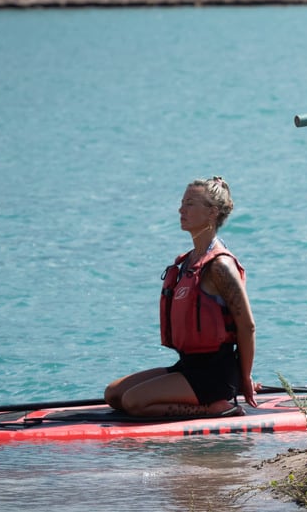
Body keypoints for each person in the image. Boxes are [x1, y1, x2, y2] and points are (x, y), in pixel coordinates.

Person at [105, 176, 258, 417]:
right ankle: (203, 400)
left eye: (190, 204)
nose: (181, 209)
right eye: (182, 202)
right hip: (188, 366)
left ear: (211, 213)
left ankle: (214, 407)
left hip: (215, 373)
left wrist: (245, 377)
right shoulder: (188, 262)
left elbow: (247, 327)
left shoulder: (220, 266)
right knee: (113, 394)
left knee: (134, 402)